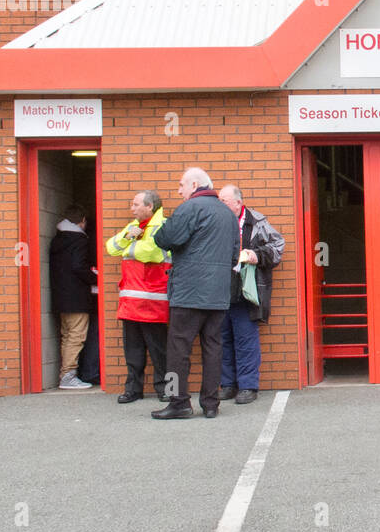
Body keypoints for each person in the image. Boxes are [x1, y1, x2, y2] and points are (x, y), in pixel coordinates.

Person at [149, 168, 239, 420]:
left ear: (195, 184)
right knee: (213, 348)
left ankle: (179, 403)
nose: (179, 191)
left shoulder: (190, 208)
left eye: (181, 185)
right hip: (219, 294)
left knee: (178, 349)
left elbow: (165, 238)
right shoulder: (228, 214)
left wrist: (164, 226)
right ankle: (211, 404)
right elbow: (234, 255)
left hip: (189, 292)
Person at [217, 185, 284, 404]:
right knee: (222, 339)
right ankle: (227, 384)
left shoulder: (256, 221)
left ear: (238, 202)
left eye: (224, 201)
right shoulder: (215, 221)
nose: (220, 204)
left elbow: (278, 246)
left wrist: (256, 254)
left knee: (246, 340)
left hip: (246, 291)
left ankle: (247, 386)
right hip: (218, 291)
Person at [105, 189, 171, 404]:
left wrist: (128, 245)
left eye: (135, 204)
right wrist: (127, 238)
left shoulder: (162, 226)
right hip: (132, 302)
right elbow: (111, 247)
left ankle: (168, 390)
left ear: (149, 206)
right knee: (132, 352)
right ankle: (133, 390)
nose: (131, 209)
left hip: (153, 301)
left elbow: (150, 252)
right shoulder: (134, 227)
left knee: (161, 352)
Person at [49, 204, 98, 390]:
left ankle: (65, 373)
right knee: (76, 337)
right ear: (82, 221)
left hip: (61, 297)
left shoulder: (58, 240)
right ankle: (68, 376)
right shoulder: (79, 240)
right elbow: (79, 267)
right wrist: (95, 278)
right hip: (77, 298)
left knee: (67, 336)